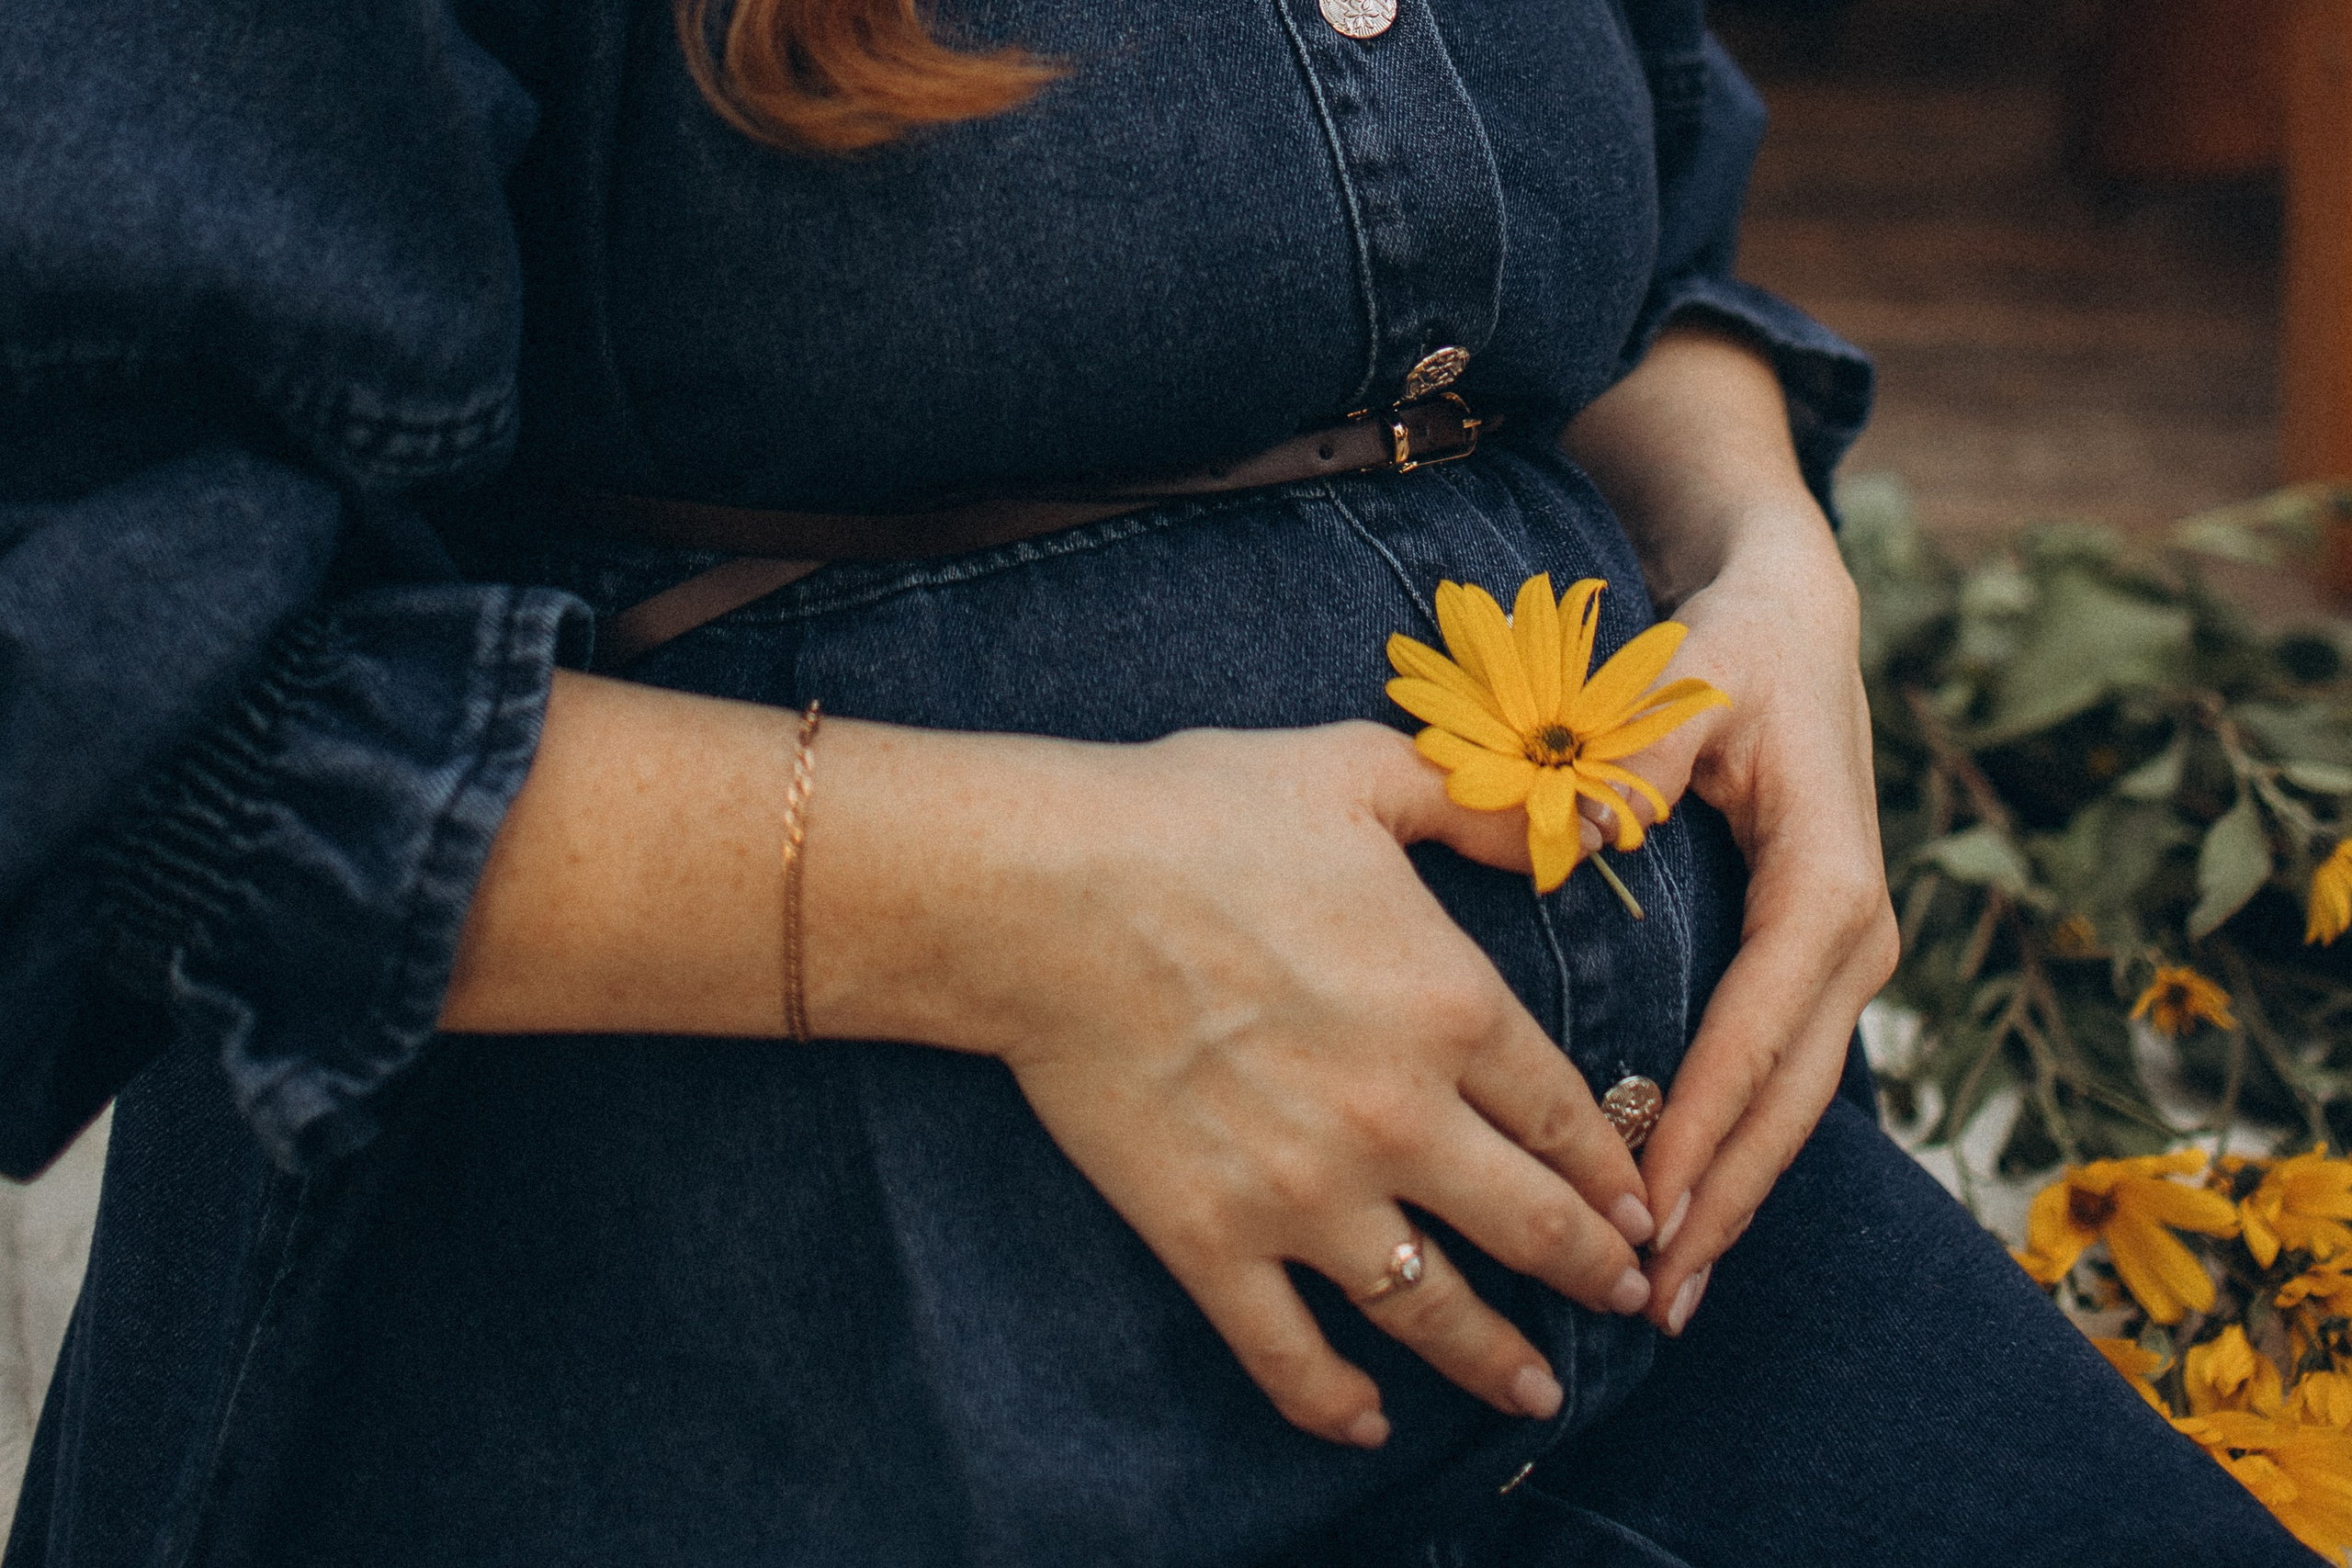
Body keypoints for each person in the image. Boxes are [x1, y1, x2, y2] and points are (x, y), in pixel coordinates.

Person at [0, 0, 2324, 1562]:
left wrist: (1756, 555)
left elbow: (1616, 249)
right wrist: (1027, 903)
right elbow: (84, 673)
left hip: (1670, 1269)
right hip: (794, 1370)